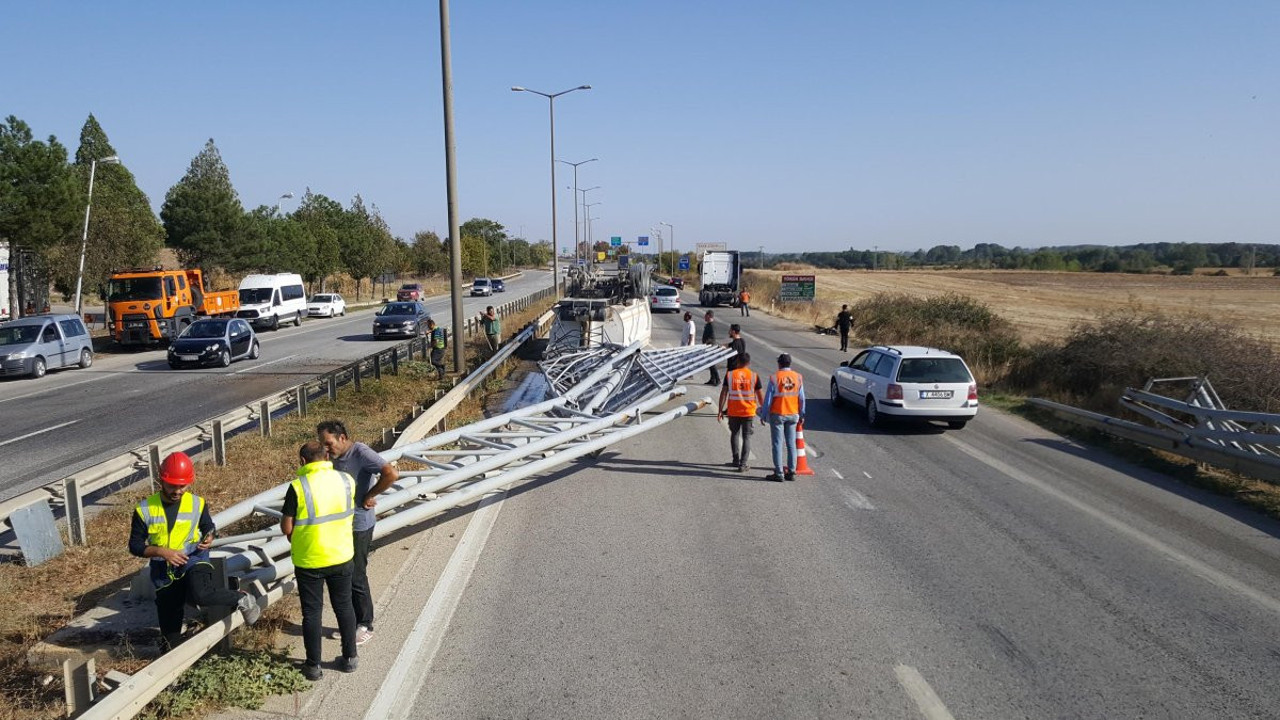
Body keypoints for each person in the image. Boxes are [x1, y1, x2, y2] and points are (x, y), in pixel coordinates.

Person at [129, 451, 261, 652]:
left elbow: (208, 525)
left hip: (194, 560)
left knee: (202, 594)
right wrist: (162, 552)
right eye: (172, 485)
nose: (177, 490)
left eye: (182, 486)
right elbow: (135, 545)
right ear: (161, 480)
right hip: (164, 571)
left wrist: (209, 536)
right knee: (170, 628)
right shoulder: (144, 509)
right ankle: (171, 666)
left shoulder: (197, 503)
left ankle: (242, 598)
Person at [316, 420, 399, 649]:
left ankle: (365, 624)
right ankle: (351, 623)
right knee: (343, 573)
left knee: (356, 574)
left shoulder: (360, 452)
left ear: (342, 438)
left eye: (329, 443)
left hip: (359, 525)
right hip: (340, 525)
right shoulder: (331, 458)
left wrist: (370, 494)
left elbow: (391, 473)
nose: (326, 448)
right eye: (323, 445)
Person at [282, 441, 359, 680]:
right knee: (344, 606)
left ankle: (313, 666)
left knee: (312, 613)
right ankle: (349, 658)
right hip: (342, 555)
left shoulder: (298, 487)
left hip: (309, 560)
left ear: (303, 461)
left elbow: (287, 526)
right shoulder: (347, 480)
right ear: (327, 457)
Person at [762, 353, 806, 482]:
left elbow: (768, 400)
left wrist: (764, 415)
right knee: (791, 444)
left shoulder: (775, 378)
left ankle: (779, 473)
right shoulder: (798, 377)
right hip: (793, 414)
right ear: (790, 363)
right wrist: (802, 414)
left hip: (778, 414)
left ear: (779, 363)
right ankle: (792, 472)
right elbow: (802, 398)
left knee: (777, 444)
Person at [718, 352, 764, 473]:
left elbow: (724, 392)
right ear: (748, 363)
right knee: (746, 437)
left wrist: (720, 410)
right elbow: (760, 396)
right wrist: (764, 412)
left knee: (734, 434)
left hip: (733, 411)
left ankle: (735, 460)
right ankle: (743, 464)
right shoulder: (754, 376)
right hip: (748, 412)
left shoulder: (730, 375)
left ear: (738, 362)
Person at [702, 311, 719, 385]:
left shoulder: (711, 325)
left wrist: (706, 342)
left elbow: (712, 336)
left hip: (710, 346)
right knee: (710, 363)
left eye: (705, 316)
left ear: (709, 316)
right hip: (708, 345)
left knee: (712, 363)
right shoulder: (709, 324)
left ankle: (717, 379)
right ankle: (712, 379)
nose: (704, 317)